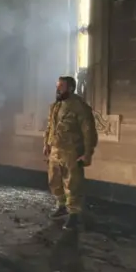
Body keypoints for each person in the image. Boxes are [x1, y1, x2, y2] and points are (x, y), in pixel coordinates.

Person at [43, 76, 98, 230]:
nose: (58, 89)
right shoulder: (55, 106)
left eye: (61, 86)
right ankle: (61, 205)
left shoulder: (80, 107)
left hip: (72, 151)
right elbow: (50, 127)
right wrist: (46, 144)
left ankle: (74, 214)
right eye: (57, 86)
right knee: (54, 180)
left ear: (71, 88)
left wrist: (87, 153)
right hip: (55, 149)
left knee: (73, 183)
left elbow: (89, 132)